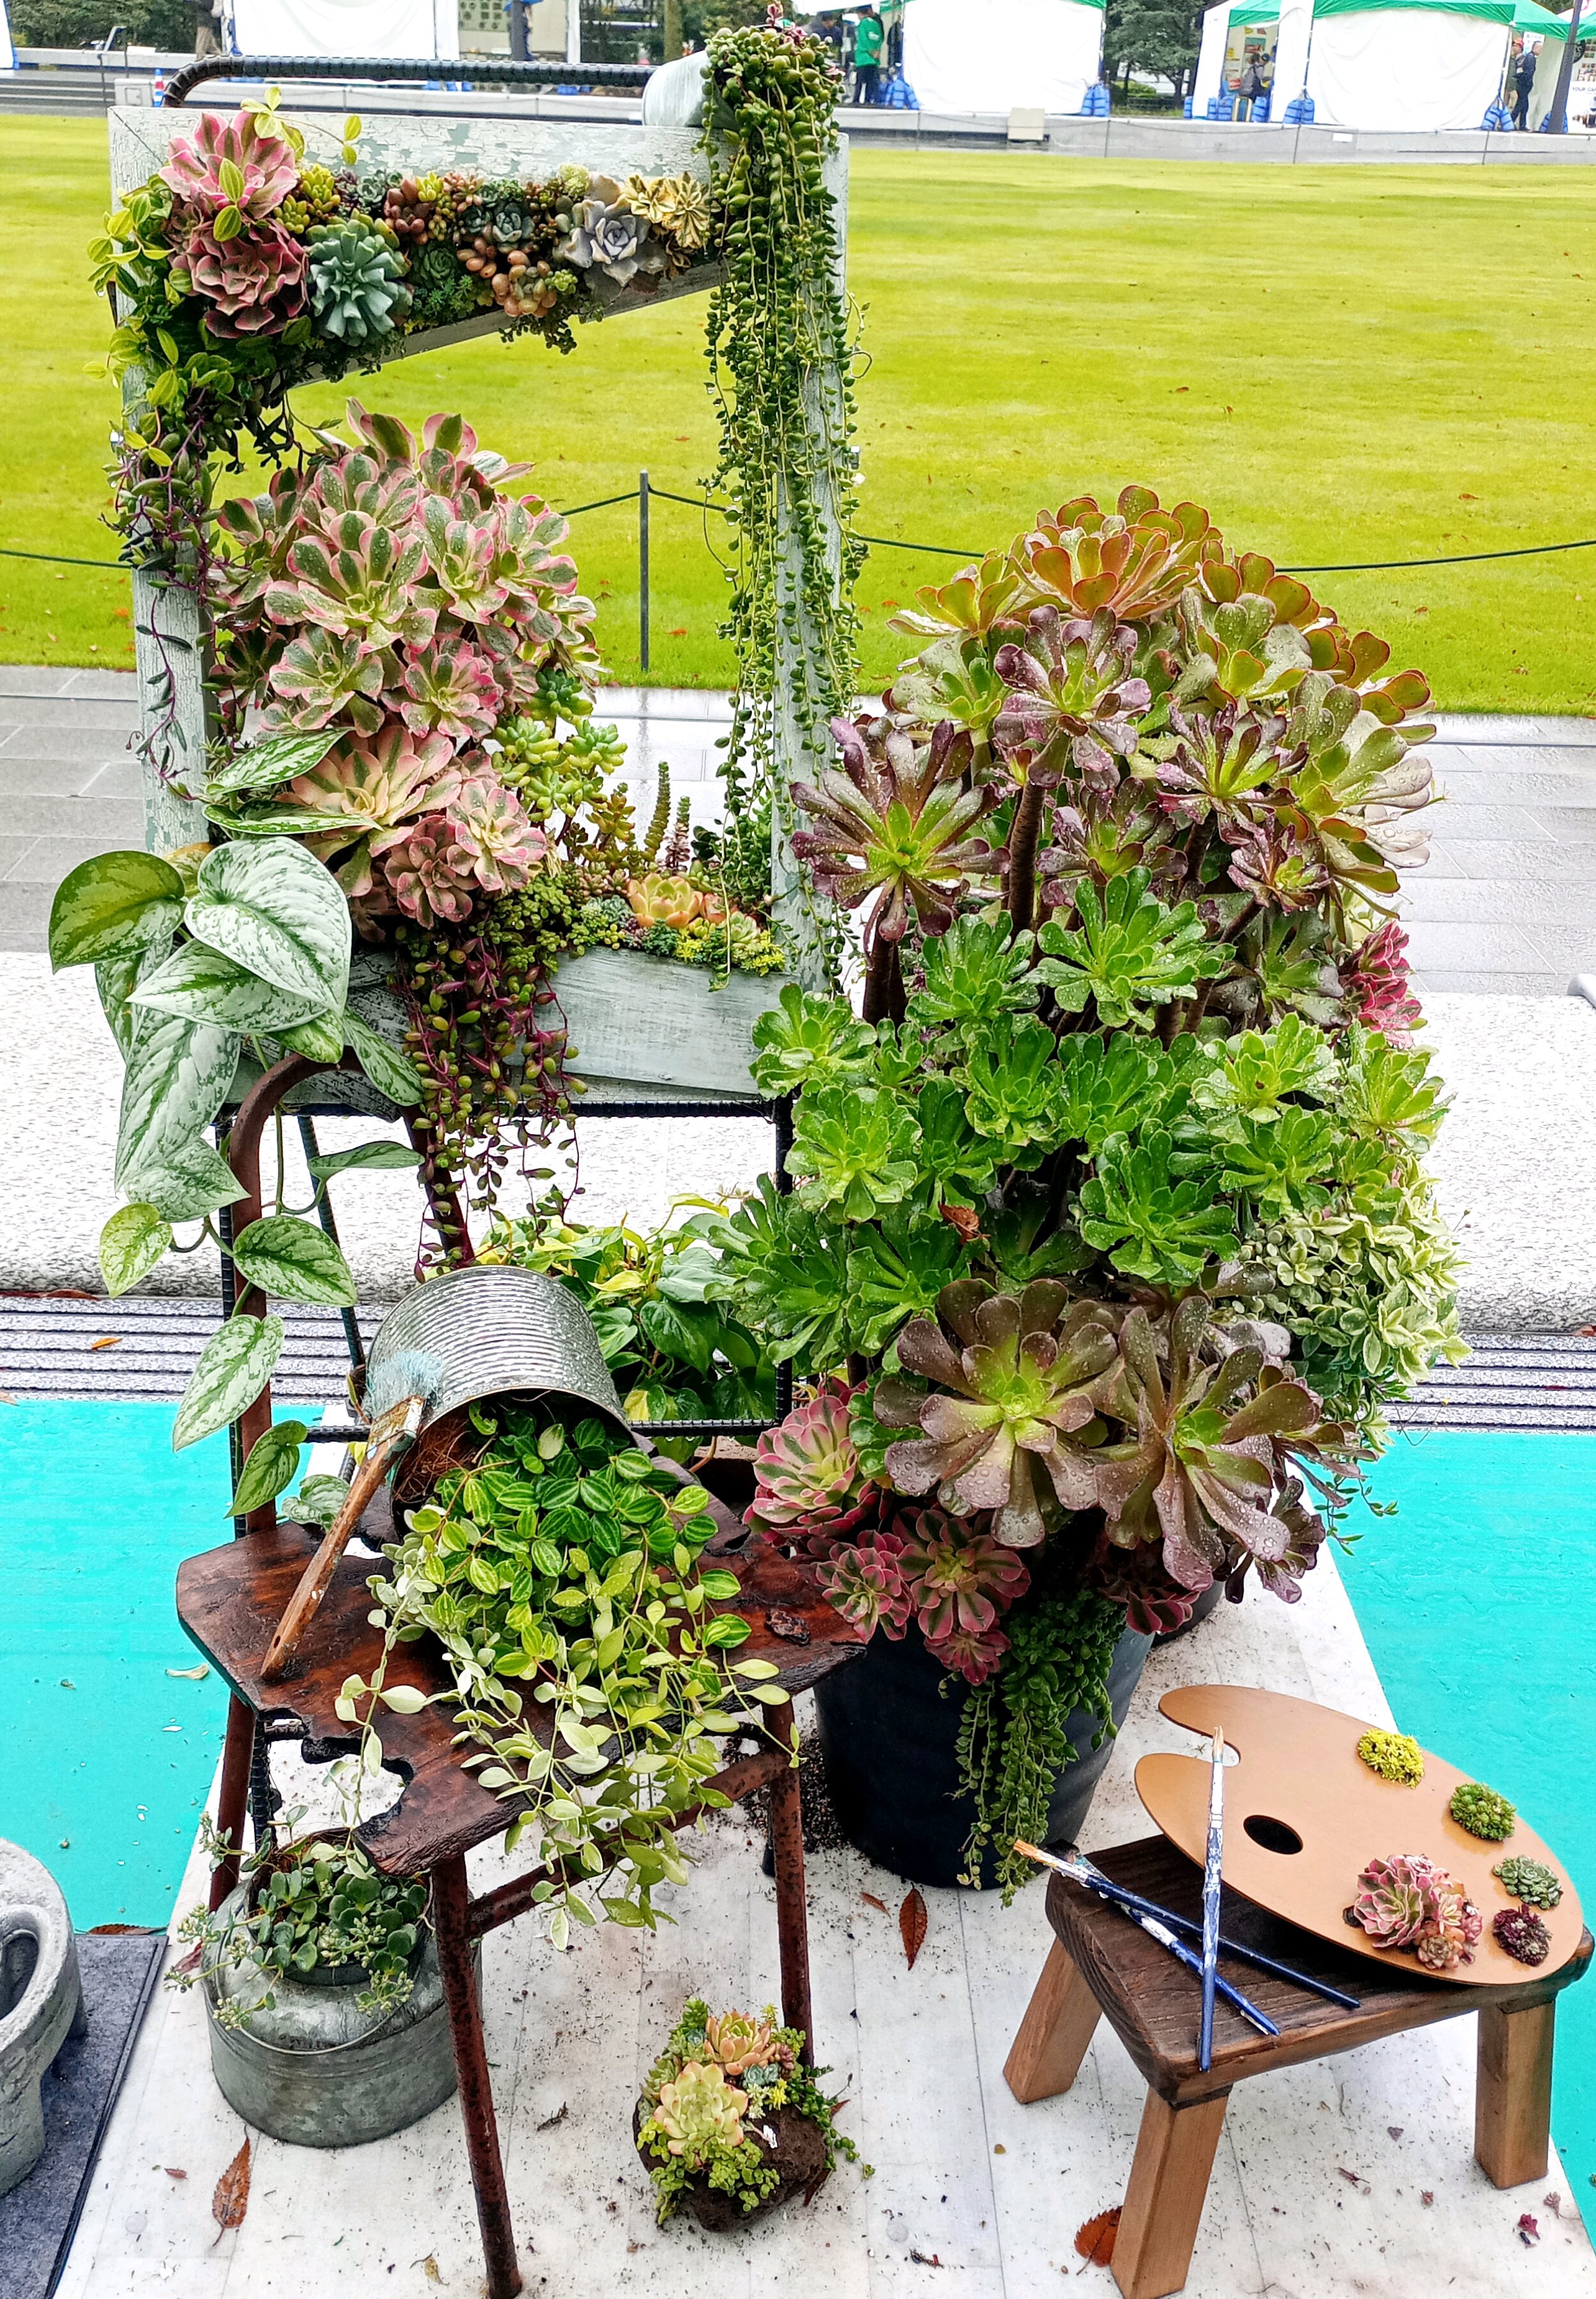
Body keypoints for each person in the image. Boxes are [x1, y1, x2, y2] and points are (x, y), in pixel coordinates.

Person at [852, 4, 884, 105]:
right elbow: (880, 38)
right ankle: (867, 100)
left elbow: (863, 39)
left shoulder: (863, 24)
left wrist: (870, 50)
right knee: (870, 82)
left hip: (863, 57)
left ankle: (856, 100)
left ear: (860, 13)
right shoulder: (876, 24)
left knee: (860, 82)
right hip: (874, 59)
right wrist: (877, 51)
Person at [1512, 41, 1537, 129]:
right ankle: (1514, 122)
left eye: (1516, 46)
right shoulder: (1528, 58)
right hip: (1522, 84)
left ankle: (1518, 123)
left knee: (1523, 105)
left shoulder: (1523, 58)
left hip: (1521, 84)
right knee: (1521, 104)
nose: (1514, 48)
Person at [1238, 54, 1264, 119]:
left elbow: (1243, 77)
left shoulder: (1248, 68)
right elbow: (1261, 79)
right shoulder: (1259, 68)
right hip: (1251, 91)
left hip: (1243, 91)